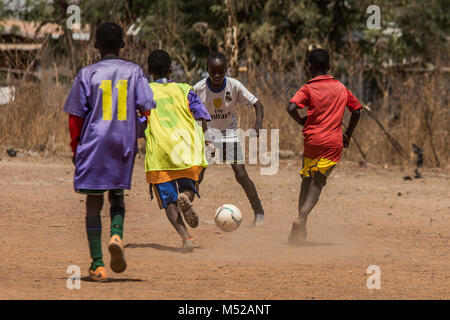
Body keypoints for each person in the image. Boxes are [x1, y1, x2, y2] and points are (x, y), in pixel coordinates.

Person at [63, 22, 155, 281]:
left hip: (94, 142)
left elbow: (75, 117)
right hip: (122, 142)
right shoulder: (134, 71)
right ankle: (116, 234)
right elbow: (146, 107)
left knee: (93, 201)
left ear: (96, 45)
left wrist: (75, 149)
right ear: (123, 45)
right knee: (116, 194)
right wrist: (137, 129)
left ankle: (98, 265)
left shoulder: (86, 73)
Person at [287, 48, 362, 245]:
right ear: (329, 67)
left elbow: (291, 107)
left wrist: (302, 122)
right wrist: (348, 134)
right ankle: (302, 218)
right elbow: (357, 111)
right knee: (318, 182)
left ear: (309, 67)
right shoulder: (341, 88)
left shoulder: (308, 88)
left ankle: (300, 225)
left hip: (312, 141)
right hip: (333, 143)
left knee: (306, 179)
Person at [142, 49, 211, 252]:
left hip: (160, 153)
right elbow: (201, 116)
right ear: (171, 68)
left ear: (149, 71)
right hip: (186, 149)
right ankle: (188, 198)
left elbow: (139, 122)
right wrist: (206, 142)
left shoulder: (145, 93)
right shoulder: (185, 90)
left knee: (169, 201)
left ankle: (186, 237)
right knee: (189, 183)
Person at [193, 52, 265, 227]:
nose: (217, 76)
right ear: (206, 70)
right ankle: (186, 209)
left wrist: (258, 125)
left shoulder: (234, 86)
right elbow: (187, 110)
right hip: (207, 135)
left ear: (226, 70)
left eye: (220, 72)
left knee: (241, 174)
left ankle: (259, 212)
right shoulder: (198, 88)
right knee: (197, 175)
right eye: (212, 72)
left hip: (229, 134)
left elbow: (258, 104)